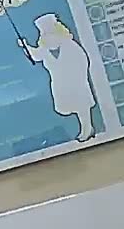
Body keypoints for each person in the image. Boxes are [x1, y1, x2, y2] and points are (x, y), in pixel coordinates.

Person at [21, 13, 96, 142]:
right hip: (60, 84)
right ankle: (86, 128)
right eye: (45, 35)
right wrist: (25, 46)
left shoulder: (70, 46)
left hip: (76, 83)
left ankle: (87, 128)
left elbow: (83, 61)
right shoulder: (45, 49)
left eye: (51, 34)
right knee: (73, 105)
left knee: (82, 106)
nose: (48, 38)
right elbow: (35, 56)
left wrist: (76, 76)